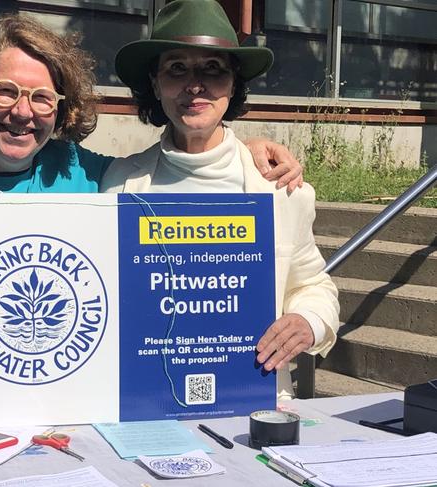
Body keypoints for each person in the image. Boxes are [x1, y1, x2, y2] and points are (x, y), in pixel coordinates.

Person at [0, 14, 302, 280]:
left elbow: (176, 165)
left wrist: (245, 147)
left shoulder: (86, 174)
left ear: (60, 110)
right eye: (5, 91)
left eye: (43, 97)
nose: (23, 112)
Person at [100, 0, 339, 399]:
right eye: (177, 68)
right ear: (156, 85)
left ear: (233, 85)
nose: (195, 84)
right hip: (143, 401)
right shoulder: (120, 183)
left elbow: (313, 283)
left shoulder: (279, 189)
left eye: (213, 68)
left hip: (251, 397)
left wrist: (308, 320)